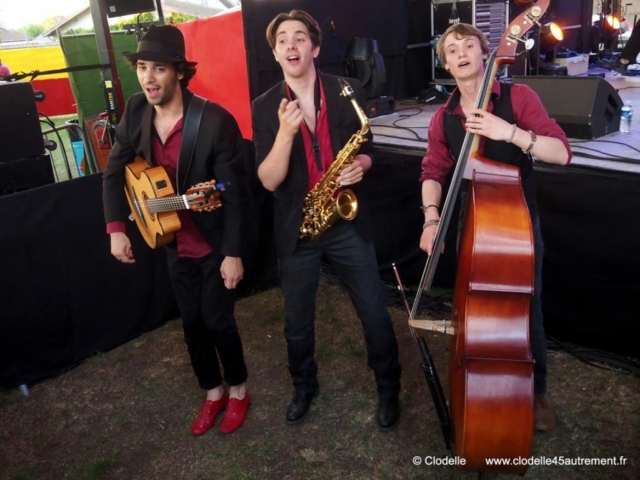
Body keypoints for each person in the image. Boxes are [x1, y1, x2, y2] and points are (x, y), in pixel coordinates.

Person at [251, 9, 402, 429]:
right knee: (297, 322)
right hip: (298, 227)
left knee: (373, 310)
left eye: (300, 38)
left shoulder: (346, 90)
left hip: (345, 218)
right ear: (276, 53)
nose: (291, 45)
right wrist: (284, 133)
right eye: (283, 40)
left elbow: (367, 143)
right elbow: (267, 179)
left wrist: (365, 163)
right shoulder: (265, 107)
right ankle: (304, 387)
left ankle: (389, 389)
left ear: (314, 48)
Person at [419, 23, 572, 433]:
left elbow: (561, 153)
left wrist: (512, 134)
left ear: (486, 54)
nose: (462, 52)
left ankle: (534, 391)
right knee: (472, 302)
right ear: (446, 65)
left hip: (517, 219)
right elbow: (432, 171)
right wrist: (432, 217)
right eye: (452, 49)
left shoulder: (519, 97)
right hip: (472, 219)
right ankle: (479, 374)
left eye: (469, 44)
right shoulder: (443, 116)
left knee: (525, 306)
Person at [102, 25, 250, 436]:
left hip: (215, 243)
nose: (148, 78)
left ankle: (238, 391)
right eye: (143, 67)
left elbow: (233, 193)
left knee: (218, 321)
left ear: (180, 73)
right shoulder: (135, 111)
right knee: (191, 324)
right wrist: (117, 227)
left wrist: (233, 252)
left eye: (160, 69)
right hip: (171, 241)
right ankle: (212, 393)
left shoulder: (214, 121)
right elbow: (115, 173)